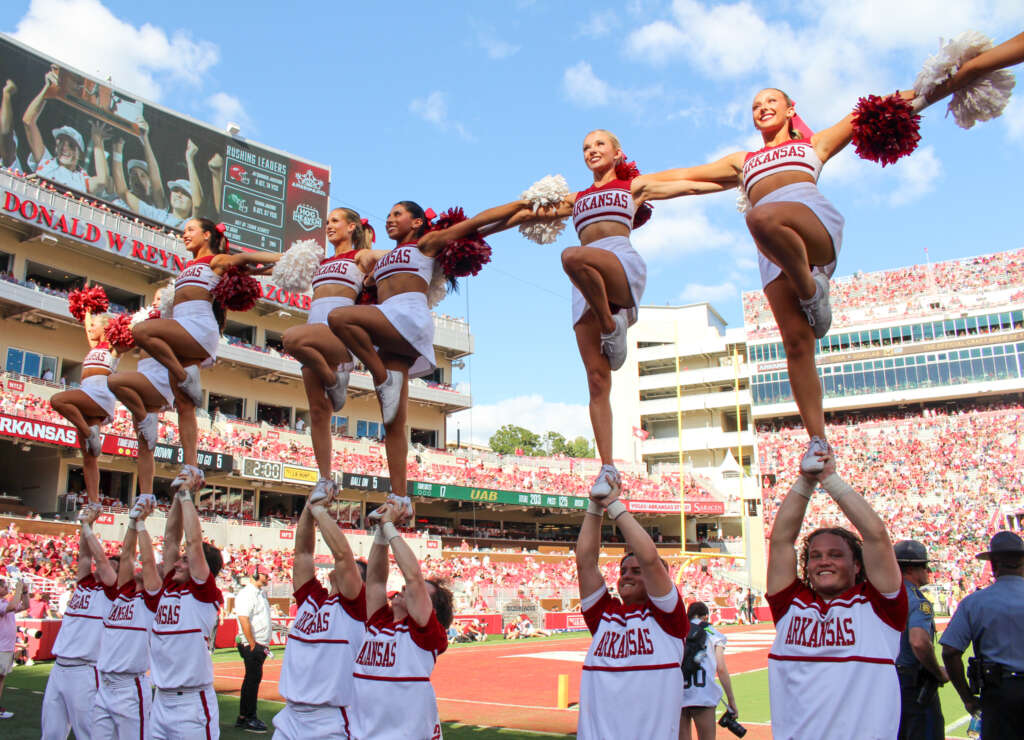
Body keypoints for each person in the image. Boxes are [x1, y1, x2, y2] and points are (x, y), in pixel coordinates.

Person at [328, 199, 538, 513]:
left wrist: (522, 205)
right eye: (388, 214)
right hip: (388, 323)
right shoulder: (382, 258)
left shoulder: (426, 243)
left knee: (340, 317)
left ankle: (381, 377)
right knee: (393, 421)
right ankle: (399, 498)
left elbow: (478, 224)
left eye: (397, 213)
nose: (390, 218)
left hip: (409, 317)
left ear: (416, 223)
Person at [765, 453, 906, 740]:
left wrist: (829, 479)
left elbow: (876, 535)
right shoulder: (790, 605)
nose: (823, 562)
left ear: (857, 565)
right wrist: (805, 481)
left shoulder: (880, 607)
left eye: (835, 555)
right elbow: (781, 541)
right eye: (815, 556)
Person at [132, 217, 280, 493]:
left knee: (142, 332)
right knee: (184, 406)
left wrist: (284, 257)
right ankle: (190, 466)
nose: (184, 234)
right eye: (184, 230)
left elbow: (247, 258)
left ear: (208, 234)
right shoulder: (187, 267)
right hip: (180, 329)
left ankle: (181, 374)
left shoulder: (216, 260)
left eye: (191, 229)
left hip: (198, 327)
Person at [575, 473, 687, 739]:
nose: (626, 575)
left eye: (636, 571)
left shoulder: (668, 619)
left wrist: (614, 505)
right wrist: (594, 505)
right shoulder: (605, 615)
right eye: (623, 570)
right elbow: (585, 563)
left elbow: (650, 559)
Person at [282, 208, 374, 501]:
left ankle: (335, 380)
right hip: (315, 331)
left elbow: (387, 258)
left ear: (352, 227)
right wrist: (239, 264)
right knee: (318, 413)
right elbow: (276, 262)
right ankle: (324, 478)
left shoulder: (360, 257)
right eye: (327, 222)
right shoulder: (320, 262)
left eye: (335, 221)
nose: (329, 226)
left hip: (338, 333)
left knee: (290, 338)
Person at [350, 500, 453, 740]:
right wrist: (379, 532)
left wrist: (390, 525)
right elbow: (375, 580)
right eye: (406, 588)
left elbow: (414, 576)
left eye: (419, 594)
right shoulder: (380, 622)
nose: (406, 589)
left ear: (431, 612)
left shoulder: (426, 635)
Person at [272, 490, 367, 738]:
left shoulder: (356, 608)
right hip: (291, 715)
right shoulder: (312, 599)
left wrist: (321, 512)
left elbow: (343, 555)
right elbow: (302, 553)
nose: (339, 568)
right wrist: (308, 506)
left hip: (331, 720)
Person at [147, 458, 224, 739]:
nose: (177, 564)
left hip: (191, 705)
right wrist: (177, 497)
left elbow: (192, 543)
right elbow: (170, 539)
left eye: (184, 562)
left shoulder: (204, 593)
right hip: (161, 700)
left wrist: (186, 494)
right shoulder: (170, 587)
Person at [40, 506, 118, 740]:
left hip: (86, 670)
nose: (104, 568)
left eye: (115, 566)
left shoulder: (113, 591)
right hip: (59, 666)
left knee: (89, 733)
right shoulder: (85, 584)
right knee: (51, 733)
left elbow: (101, 561)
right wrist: (87, 525)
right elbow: (85, 557)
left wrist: (86, 526)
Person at [88, 497, 161, 739]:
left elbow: (147, 561)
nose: (142, 569)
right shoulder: (122, 593)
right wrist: (131, 520)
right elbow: (127, 555)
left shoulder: (151, 601)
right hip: (104, 685)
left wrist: (142, 525)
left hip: (130, 689)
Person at [940, 531, 1024, 740]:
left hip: (999, 693)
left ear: (993, 566)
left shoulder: (973, 602)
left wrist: (968, 698)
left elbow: (950, 651)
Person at [49, 311, 122, 504]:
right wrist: (87, 309)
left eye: (94, 326)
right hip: (88, 395)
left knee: (57, 400)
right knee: (89, 458)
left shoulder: (114, 349)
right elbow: (87, 325)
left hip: (98, 394)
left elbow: (127, 339)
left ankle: (90, 433)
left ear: (105, 328)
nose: (90, 329)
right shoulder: (94, 347)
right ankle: (94, 501)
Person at [22, 65, 110, 194]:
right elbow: (28, 121)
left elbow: (102, 181)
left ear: (80, 154)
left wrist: (97, 142)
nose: (64, 148)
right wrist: (48, 89)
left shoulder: (83, 180)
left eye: (71, 145)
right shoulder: (45, 161)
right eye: (61, 142)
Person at [894, 540, 947, 740]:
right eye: (924, 566)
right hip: (911, 683)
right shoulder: (917, 601)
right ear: (912, 569)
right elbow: (919, 642)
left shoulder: (883, 596)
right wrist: (937, 672)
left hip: (885, 681)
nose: (927, 571)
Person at [680, 601, 738, 740]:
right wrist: (731, 700)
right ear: (705, 616)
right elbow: (721, 668)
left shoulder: (679, 631)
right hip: (703, 693)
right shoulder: (713, 633)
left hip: (679, 692)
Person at [234, 568, 272, 732]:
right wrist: (252, 643)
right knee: (252, 680)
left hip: (258, 643)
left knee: (252, 680)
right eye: (264, 574)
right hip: (253, 644)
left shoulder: (260, 593)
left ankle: (244, 716)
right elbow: (243, 618)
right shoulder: (247, 594)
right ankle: (249, 717)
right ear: (255, 575)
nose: (267, 577)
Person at [0, 578, 28, 720]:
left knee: (1, 679)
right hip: (1, 648)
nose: (6, 589)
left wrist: (24, 591)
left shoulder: (5, 603)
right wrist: (18, 589)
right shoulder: (3, 604)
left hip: (6, 648)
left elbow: (25, 606)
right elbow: (13, 606)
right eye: (4, 587)